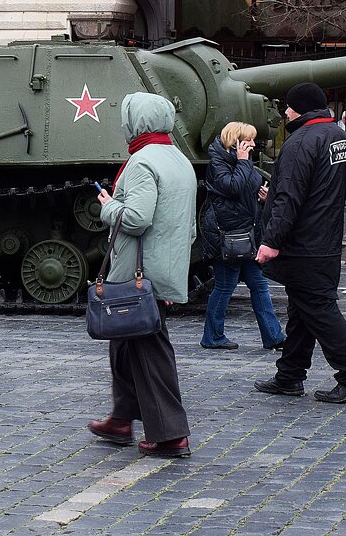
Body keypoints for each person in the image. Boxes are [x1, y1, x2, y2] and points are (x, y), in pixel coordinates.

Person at [86, 93, 196, 459]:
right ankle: (121, 418)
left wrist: (107, 206)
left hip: (138, 272)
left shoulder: (141, 162)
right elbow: (188, 226)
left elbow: (136, 218)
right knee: (124, 343)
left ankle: (169, 434)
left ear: (136, 122)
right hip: (162, 268)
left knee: (149, 349)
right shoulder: (178, 159)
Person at [253, 82, 346, 403]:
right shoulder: (337, 136)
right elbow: (320, 189)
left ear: (301, 108)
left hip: (303, 244)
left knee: (318, 309)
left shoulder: (301, 141)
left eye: (289, 106)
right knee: (302, 309)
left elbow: (290, 195)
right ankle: (289, 375)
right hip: (326, 238)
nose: (285, 111)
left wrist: (271, 239)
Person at [199, 122, 285, 351]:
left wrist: (263, 196)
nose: (254, 144)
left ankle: (274, 336)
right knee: (225, 286)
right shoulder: (218, 163)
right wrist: (244, 161)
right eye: (250, 140)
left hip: (246, 235)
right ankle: (212, 336)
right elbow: (233, 187)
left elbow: (246, 187)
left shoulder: (238, 162)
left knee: (259, 284)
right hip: (228, 237)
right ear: (237, 141)